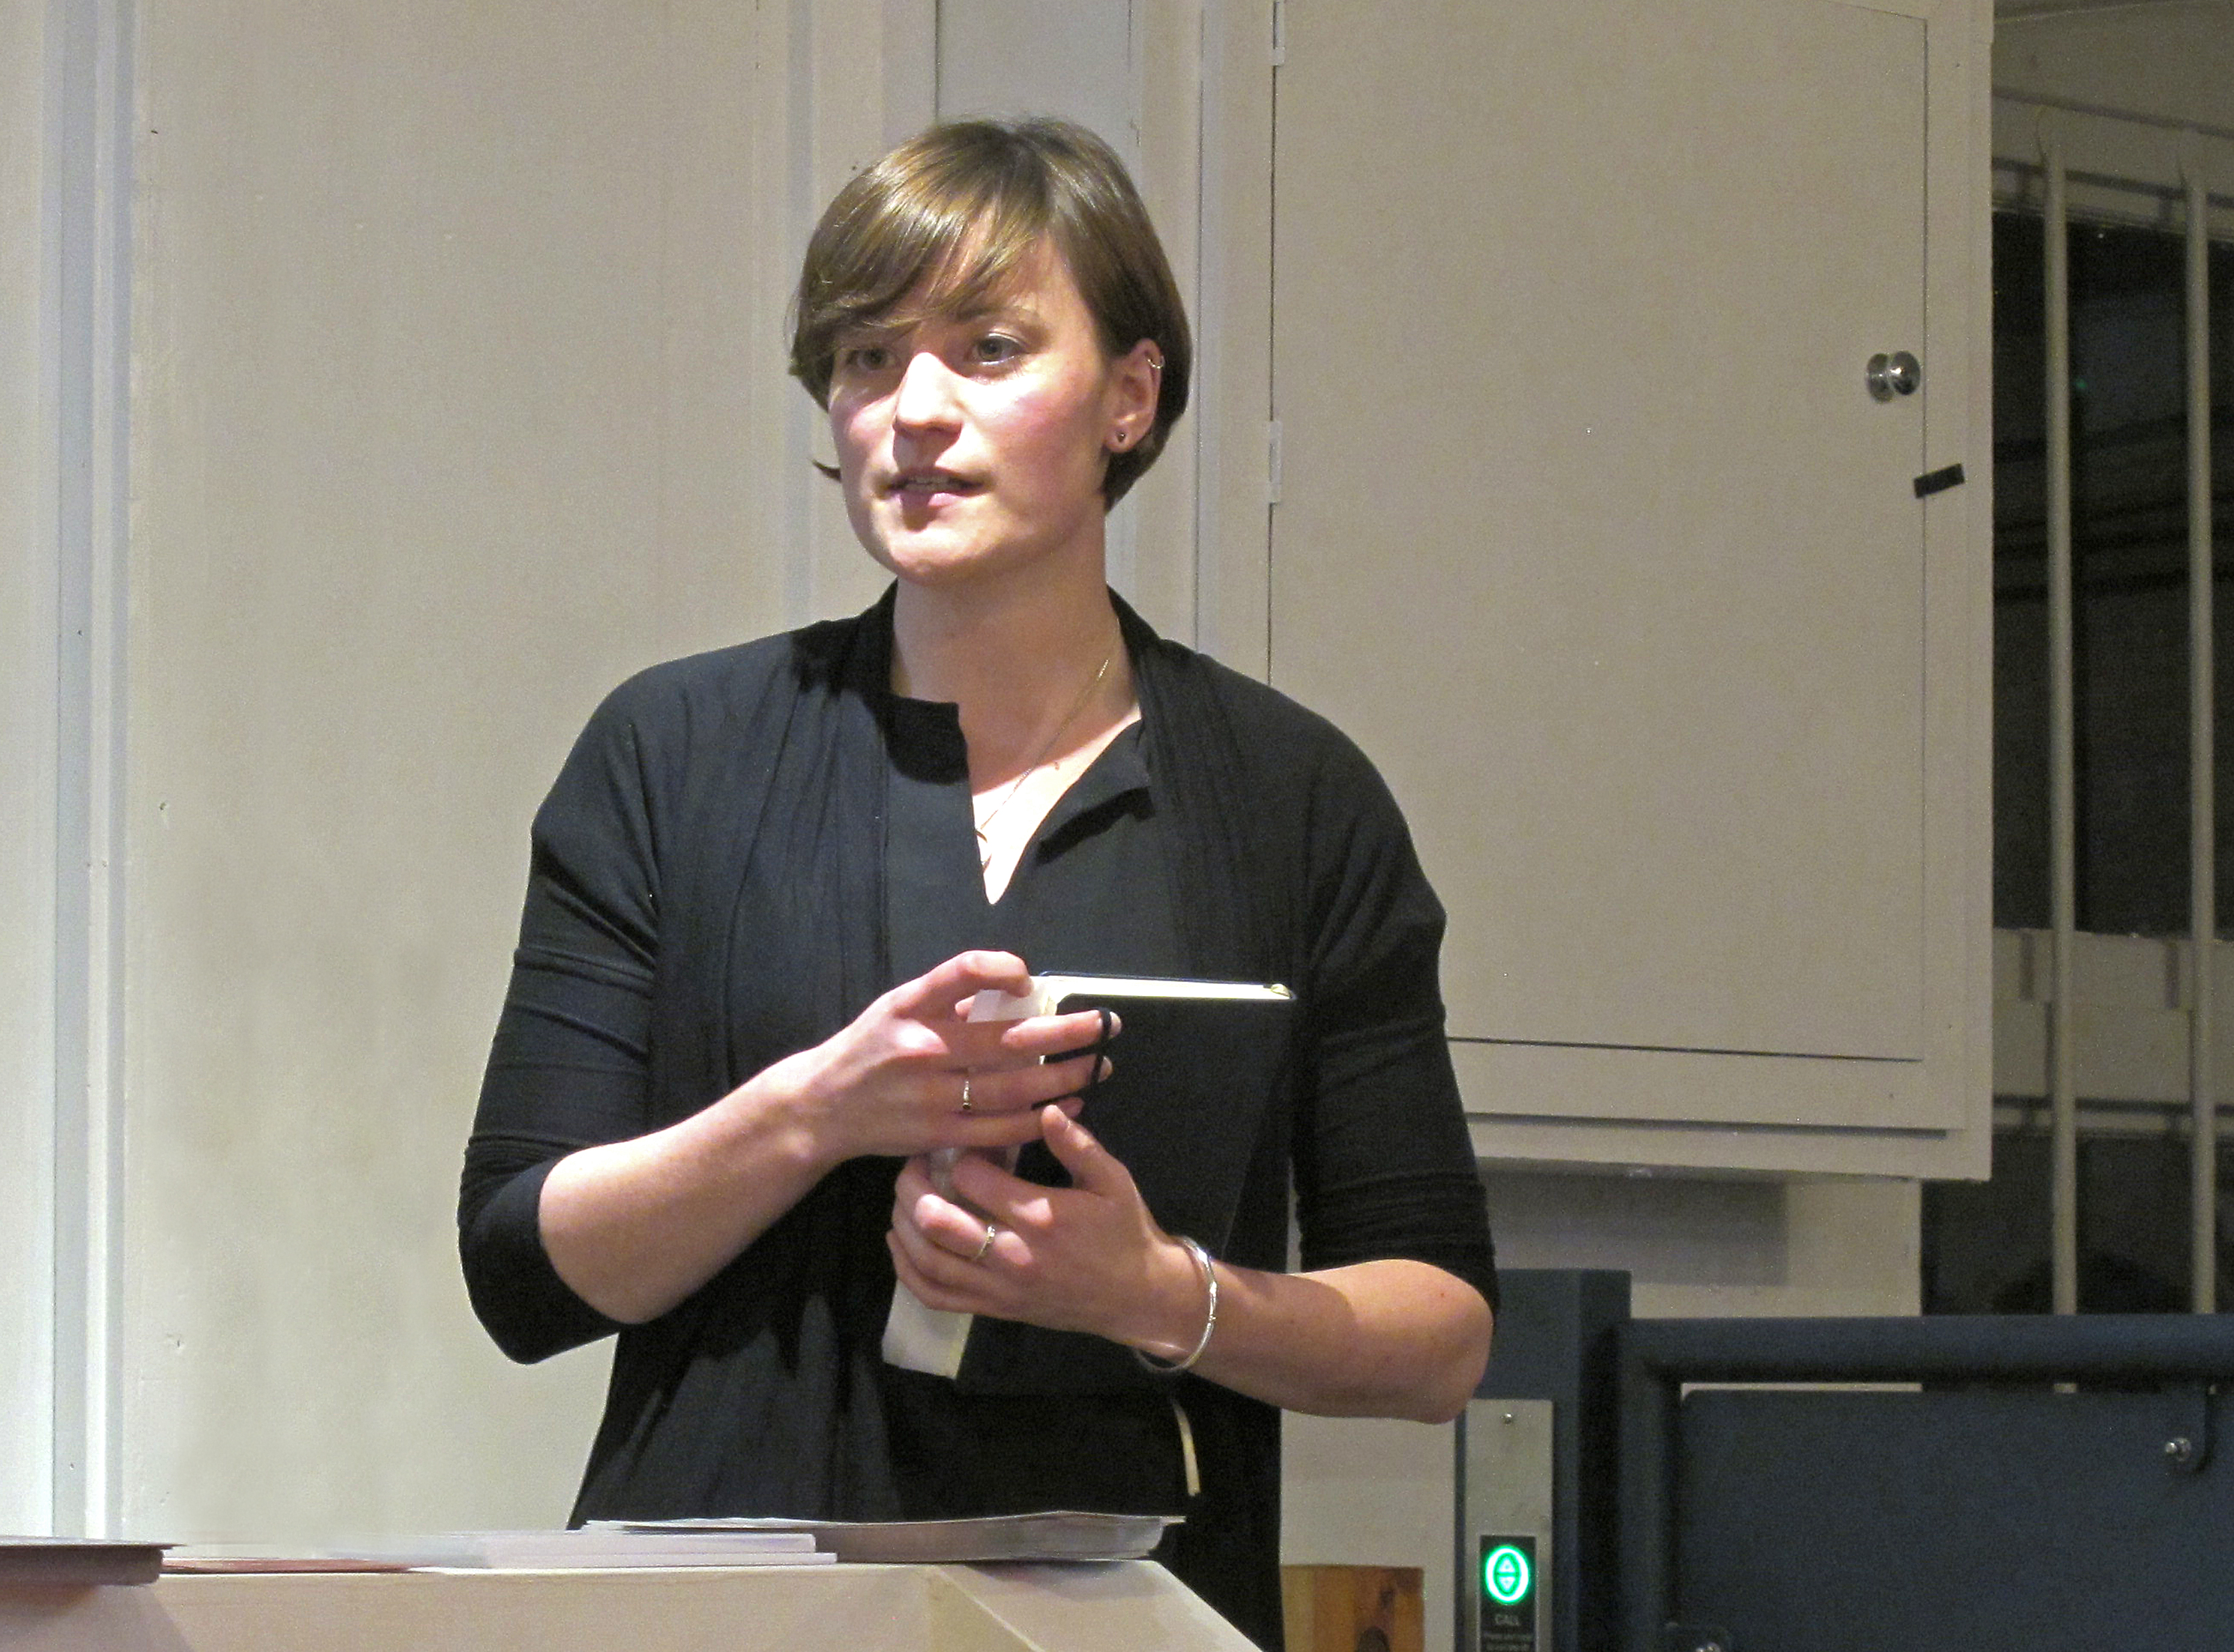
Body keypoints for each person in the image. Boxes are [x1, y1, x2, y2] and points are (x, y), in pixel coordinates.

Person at [459, 116, 1496, 1649]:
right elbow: (522, 1267)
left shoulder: (1289, 796)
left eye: (988, 349)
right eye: (867, 360)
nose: (914, 412)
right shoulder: (674, 752)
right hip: (724, 1617)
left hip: (1126, 1620)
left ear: (1130, 395)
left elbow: (1440, 1331)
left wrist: (1157, 1293)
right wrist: (814, 1111)